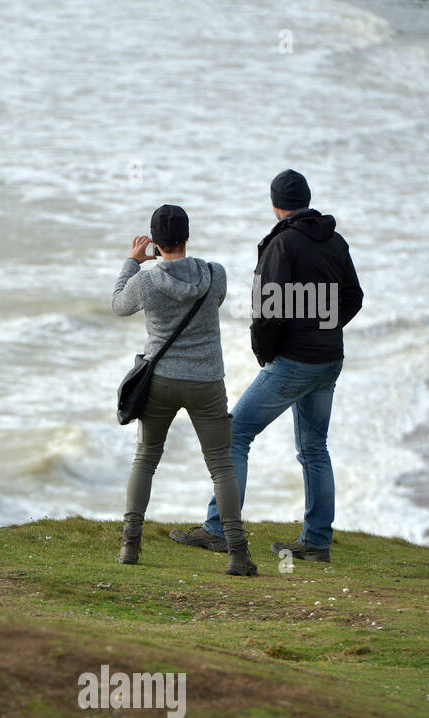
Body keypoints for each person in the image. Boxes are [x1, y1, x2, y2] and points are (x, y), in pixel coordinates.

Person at [169, 170, 363, 563]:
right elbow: (354, 297)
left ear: (276, 205)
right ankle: (317, 542)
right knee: (314, 447)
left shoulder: (283, 244)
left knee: (234, 434)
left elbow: (266, 311)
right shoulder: (335, 241)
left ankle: (219, 530)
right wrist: (325, 328)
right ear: (306, 199)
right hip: (329, 359)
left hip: (295, 361)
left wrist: (265, 352)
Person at [111, 204, 257, 576]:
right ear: (187, 237)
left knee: (146, 459)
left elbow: (118, 306)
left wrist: (133, 261)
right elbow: (215, 302)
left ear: (156, 243)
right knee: (221, 466)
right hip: (207, 381)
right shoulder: (214, 275)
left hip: (159, 379)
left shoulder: (145, 281)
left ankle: (130, 545)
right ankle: (238, 555)